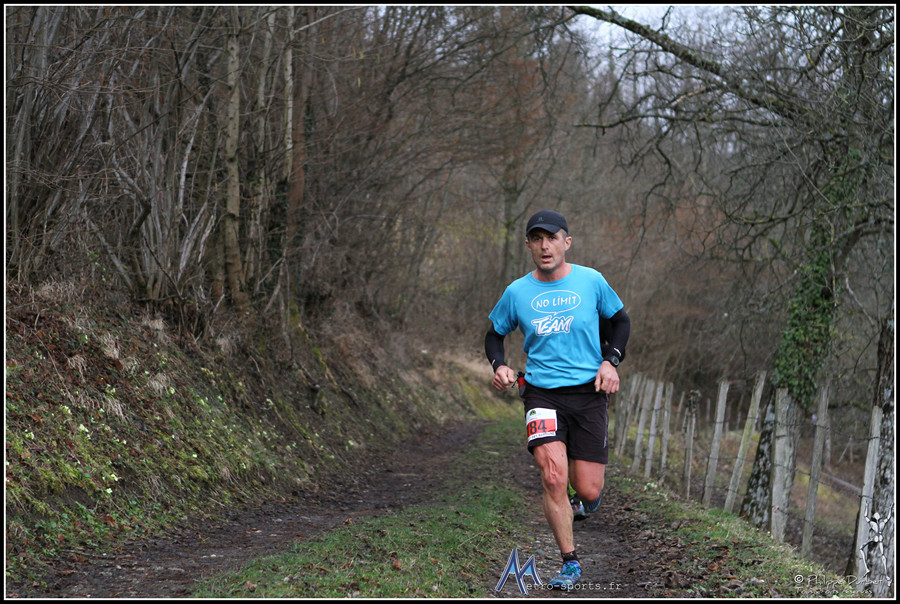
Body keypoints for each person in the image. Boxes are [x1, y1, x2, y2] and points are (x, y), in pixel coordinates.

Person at [485, 209, 630, 591]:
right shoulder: (517, 292)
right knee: (552, 477)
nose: (545, 246)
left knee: (588, 489)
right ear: (528, 245)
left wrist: (611, 361)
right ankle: (570, 562)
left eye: (552, 238)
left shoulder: (591, 281)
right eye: (537, 239)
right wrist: (500, 365)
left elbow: (621, 322)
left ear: (567, 242)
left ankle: (585, 502)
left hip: (588, 393)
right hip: (541, 393)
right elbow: (494, 334)